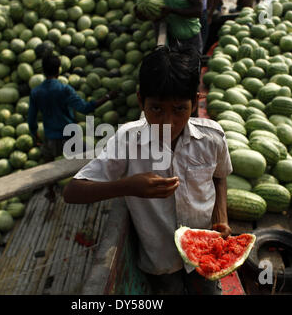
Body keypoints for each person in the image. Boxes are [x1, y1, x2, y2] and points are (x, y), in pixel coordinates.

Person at [63, 47, 233, 295]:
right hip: (160, 261)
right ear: (140, 100)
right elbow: (72, 192)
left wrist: (221, 216)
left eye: (179, 109)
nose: (167, 122)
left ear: (195, 102)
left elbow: (220, 177)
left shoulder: (212, 137)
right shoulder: (127, 140)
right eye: (156, 109)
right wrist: (128, 185)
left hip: (206, 249)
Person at [28, 53, 117, 200]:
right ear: (59, 70)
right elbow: (85, 108)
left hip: (50, 137)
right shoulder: (65, 89)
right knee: (87, 162)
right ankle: (88, 192)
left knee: (48, 168)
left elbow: (31, 120)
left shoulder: (36, 92)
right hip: (70, 137)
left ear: (43, 71)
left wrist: (36, 136)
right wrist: (107, 97)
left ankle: (50, 193)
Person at [135, 0, 204, 55]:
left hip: (191, 39)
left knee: (192, 68)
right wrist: (144, 11)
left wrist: (171, 11)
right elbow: (155, 15)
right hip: (172, 39)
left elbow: (198, 11)